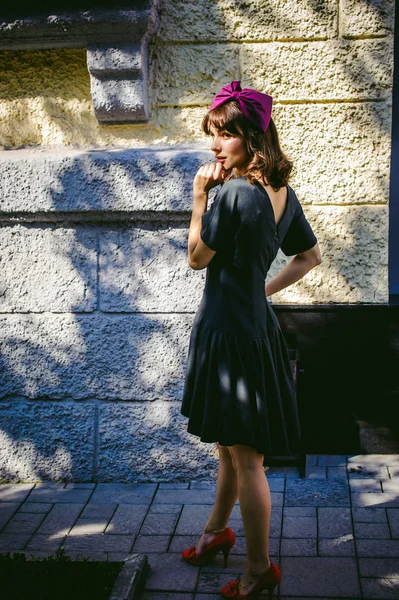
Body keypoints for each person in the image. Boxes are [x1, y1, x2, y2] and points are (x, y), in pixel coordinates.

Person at [180, 81, 322, 599]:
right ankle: (217, 532)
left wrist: (199, 197)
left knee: (247, 458)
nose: (215, 146)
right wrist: (261, 289)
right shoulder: (279, 190)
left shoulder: (234, 192)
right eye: (212, 135)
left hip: (230, 335)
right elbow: (308, 257)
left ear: (252, 137)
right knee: (230, 445)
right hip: (251, 329)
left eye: (225, 135)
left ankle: (259, 569)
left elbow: (196, 258)